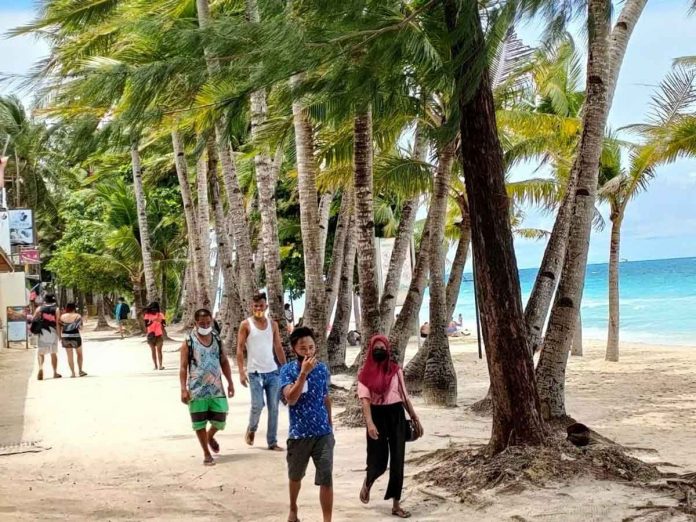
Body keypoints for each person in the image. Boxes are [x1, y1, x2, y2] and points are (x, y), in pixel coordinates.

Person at [358, 334, 420, 519]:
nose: (379, 351)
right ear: (370, 349)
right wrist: (369, 423)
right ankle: (368, 481)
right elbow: (365, 401)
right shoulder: (364, 373)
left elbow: (404, 396)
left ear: (387, 350)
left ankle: (396, 504)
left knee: (397, 460)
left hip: (396, 416)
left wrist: (415, 418)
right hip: (376, 416)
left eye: (382, 348)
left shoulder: (395, 370)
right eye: (376, 347)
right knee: (378, 460)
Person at [280, 327, 334, 522]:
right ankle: (293, 508)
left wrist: (330, 422)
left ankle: (327, 519)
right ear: (294, 349)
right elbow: (290, 399)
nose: (308, 352)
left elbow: (325, 396)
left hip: (323, 432)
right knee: (295, 476)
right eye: (303, 348)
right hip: (299, 434)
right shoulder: (287, 371)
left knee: (326, 478)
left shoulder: (321, 369)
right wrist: (303, 374)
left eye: (311, 347)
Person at [179, 308, 235, 466]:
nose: (205, 325)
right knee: (199, 423)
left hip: (216, 387)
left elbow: (223, 361)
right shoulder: (189, 342)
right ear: (195, 323)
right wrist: (183, 389)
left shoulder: (217, 339)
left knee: (220, 419)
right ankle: (206, 452)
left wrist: (230, 382)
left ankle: (210, 436)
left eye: (208, 322)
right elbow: (183, 367)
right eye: (201, 323)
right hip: (197, 390)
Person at [237, 292, 287, 450]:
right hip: (255, 373)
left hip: (272, 372)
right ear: (252, 307)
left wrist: (285, 368)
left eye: (261, 305)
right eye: (255, 306)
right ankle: (251, 429)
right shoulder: (246, 324)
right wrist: (241, 371)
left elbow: (278, 347)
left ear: (266, 307)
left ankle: (272, 442)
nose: (258, 308)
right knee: (257, 405)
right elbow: (239, 349)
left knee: (274, 407)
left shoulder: (273, 325)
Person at [34, 294, 61, 380]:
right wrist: (59, 335)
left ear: (45, 300)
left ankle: (41, 367)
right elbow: (57, 323)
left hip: (42, 332)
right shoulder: (56, 309)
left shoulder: (39, 309)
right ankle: (55, 372)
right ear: (53, 300)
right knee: (53, 353)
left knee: (41, 353)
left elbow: (34, 320)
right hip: (53, 333)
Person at [59, 302, 87, 378]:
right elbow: (81, 328)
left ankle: (72, 373)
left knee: (69, 356)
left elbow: (60, 328)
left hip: (65, 337)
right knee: (79, 354)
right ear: (74, 308)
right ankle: (80, 371)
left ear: (66, 308)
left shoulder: (62, 316)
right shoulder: (78, 316)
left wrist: (60, 337)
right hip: (76, 336)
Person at [143, 302, 166, 370]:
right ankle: (155, 365)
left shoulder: (161, 315)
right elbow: (146, 325)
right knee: (153, 351)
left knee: (159, 350)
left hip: (159, 335)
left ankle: (160, 365)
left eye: (155, 309)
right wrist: (152, 321)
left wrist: (160, 322)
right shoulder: (147, 315)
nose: (154, 311)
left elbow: (164, 325)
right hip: (150, 335)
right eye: (153, 309)